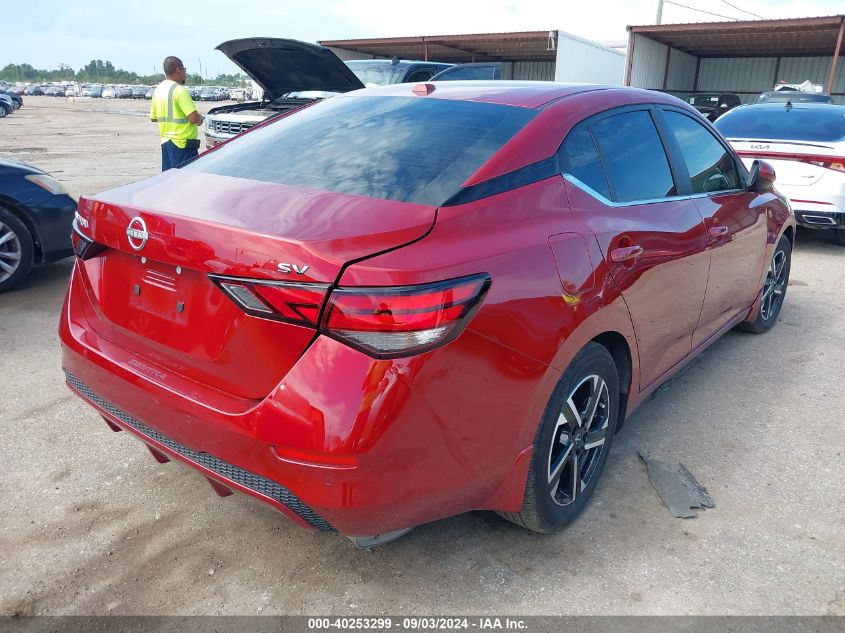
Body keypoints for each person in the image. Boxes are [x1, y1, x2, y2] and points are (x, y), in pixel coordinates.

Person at [150, 56, 204, 171]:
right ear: (178, 70)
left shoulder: (158, 90)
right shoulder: (179, 90)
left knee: (170, 182)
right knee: (187, 183)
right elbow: (193, 118)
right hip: (183, 145)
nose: (185, 73)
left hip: (166, 144)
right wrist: (200, 118)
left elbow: (154, 118)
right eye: (184, 69)